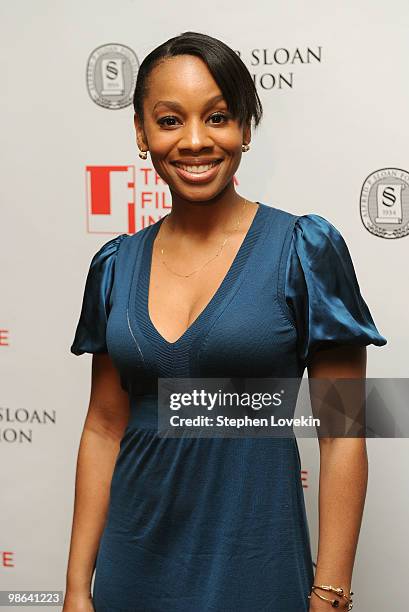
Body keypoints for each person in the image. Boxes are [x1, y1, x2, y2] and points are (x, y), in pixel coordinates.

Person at [63, 31, 387, 612]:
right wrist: (75, 590)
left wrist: (330, 595)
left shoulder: (303, 250)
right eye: (169, 120)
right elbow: (104, 429)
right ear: (141, 133)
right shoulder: (115, 264)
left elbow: (343, 433)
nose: (194, 141)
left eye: (217, 116)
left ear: (244, 128)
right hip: (130, 574)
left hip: (256, 575)